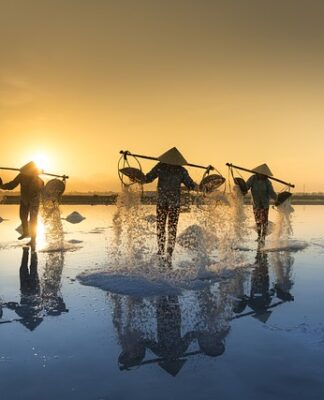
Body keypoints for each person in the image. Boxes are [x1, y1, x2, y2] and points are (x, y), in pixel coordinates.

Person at [144, 148, 198, 259]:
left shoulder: (161, 166)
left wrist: (137, 177)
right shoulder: (180, 170)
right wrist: (201, 187)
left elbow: (147, 178)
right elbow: (191, 185)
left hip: (163, 203)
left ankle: (161, 251)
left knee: (161, 226)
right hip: (172, 203)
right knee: (172, 228)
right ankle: (168, 252)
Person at [0, 161, 44, 247]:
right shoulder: (21, 176)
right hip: (24, 200)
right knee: (23, 217)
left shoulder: (38, 179)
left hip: (34, 201)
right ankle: (25, 232)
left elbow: (43, 189)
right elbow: (11, 185)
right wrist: (1, 186)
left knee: (33, 220)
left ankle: (33, 239)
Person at [246, 164, 277, 243]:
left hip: (264, 204)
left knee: (264, 221)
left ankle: (263, 237)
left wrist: (278, 199)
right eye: (263, 174)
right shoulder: (252, 179)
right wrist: (240, 187)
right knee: (258, 221)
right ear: (258, 173)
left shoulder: (267, 182)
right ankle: (259, 235)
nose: (264, 175)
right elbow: (246, 187)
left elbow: (271, 193)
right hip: (255, 204)